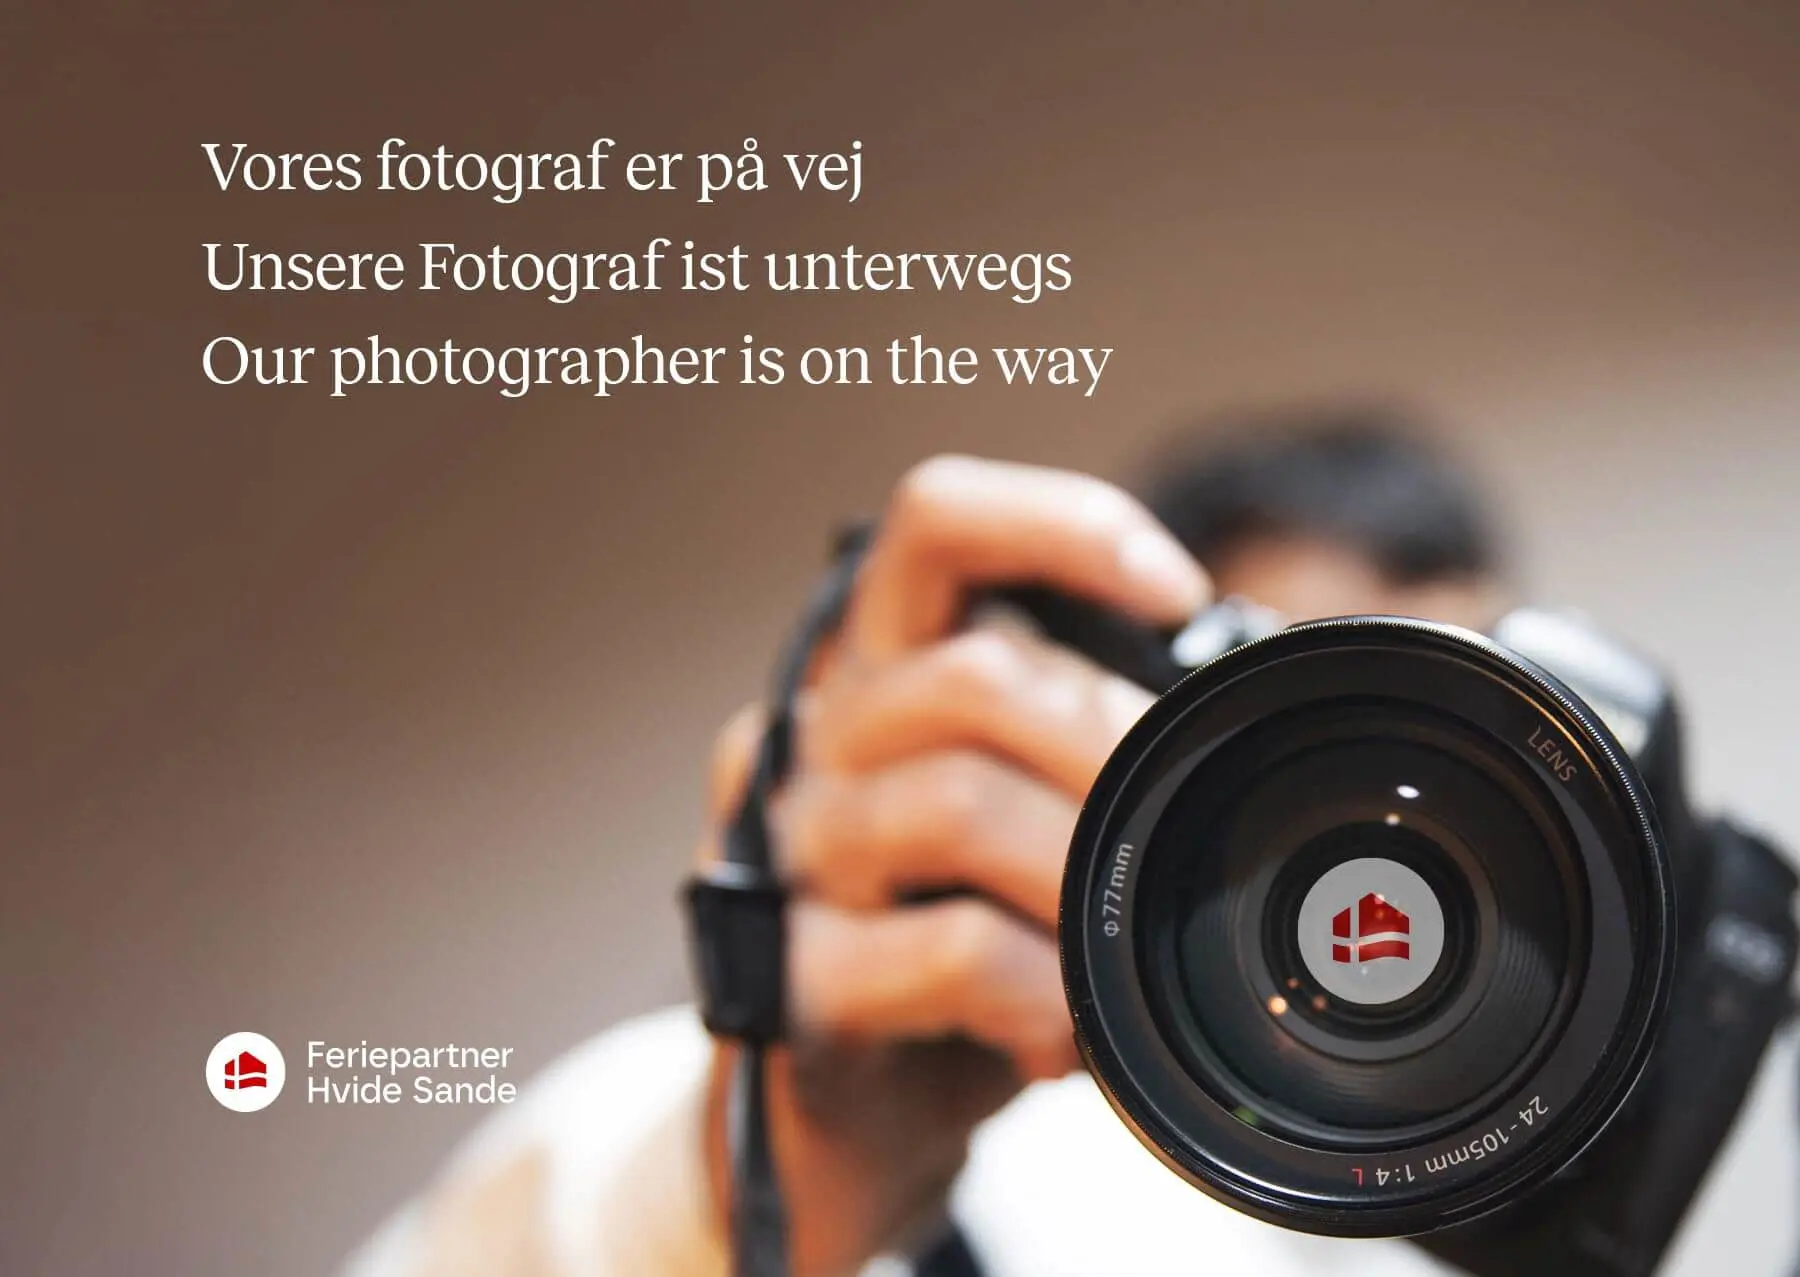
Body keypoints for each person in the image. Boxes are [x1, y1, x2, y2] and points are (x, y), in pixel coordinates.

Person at [345, 414, 1512, 1277]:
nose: (1395, 830)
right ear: (1118, 723)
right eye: (1311, 749)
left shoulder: (1542, 1139)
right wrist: (766, 1200)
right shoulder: (777, 1109)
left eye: (1462, 736)